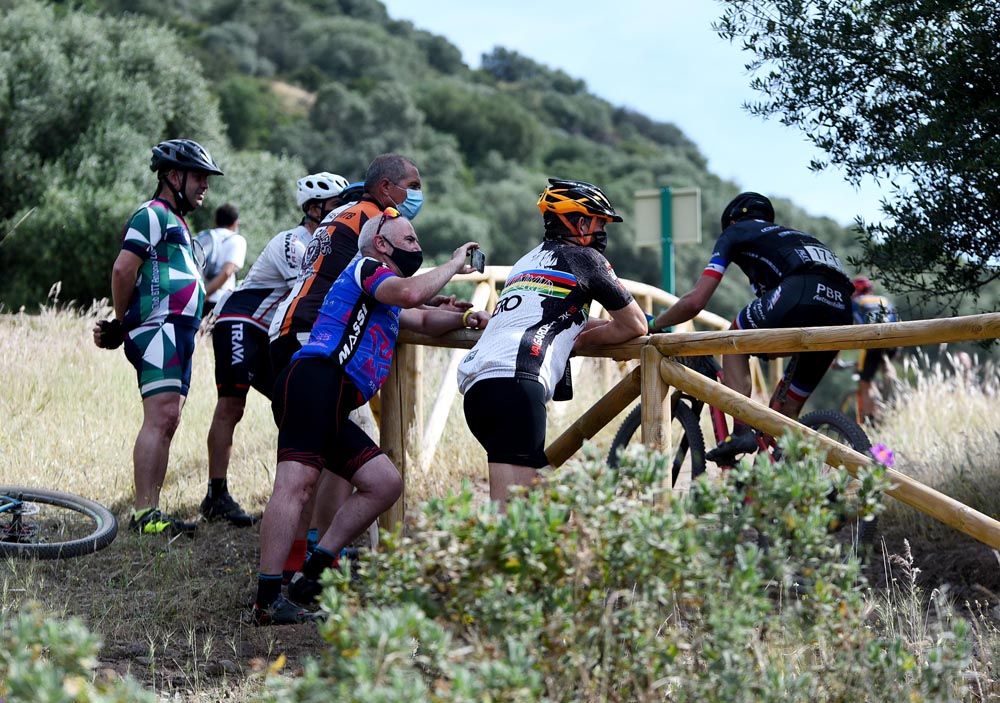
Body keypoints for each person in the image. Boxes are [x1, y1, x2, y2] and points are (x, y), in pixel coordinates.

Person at [252, 210, 489, 624]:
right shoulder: (367, 268)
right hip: (314, 381)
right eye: (411, 240)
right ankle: (267, 600)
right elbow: (413, 296)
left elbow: (424, 317)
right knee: (296, 486)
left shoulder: (386, 295)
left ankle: (314, 572)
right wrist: (455, 264)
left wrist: (467, 318)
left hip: (333, 398)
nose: (417, 248)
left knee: (384, 482)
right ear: (382, 243)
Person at [457, 179, 648, 507]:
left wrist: (575, 333)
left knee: (548, 509)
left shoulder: (525, 261)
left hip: (479, 390)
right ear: (578, 221)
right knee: (516, 520)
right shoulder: (586, 258)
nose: (603, 231)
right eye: (599, 221)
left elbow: (552, 314)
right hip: (516, 385)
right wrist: (576, 343)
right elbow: (635, 324)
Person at [650, 191, 854, 463]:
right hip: (842, 307)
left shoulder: (735, 232)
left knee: (735, 338)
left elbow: (695, 302)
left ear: (732, 222)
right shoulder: (792, 236)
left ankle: (741, 431)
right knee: (784, 410)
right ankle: (776, 478)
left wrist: (655, 322)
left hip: (800, 291)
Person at [200, 173, 350, 527]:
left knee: (292, 406)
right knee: (232, 405)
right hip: (240, 320)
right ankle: (216, 494)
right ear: (314, 209)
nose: (345, 213)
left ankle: (297, 493)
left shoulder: (330, 245)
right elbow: (321, 293)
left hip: (269, 334)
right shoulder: (293, 243)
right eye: (337, 206)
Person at [92, 138, 223, 536]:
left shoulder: (178, 222)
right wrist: (121, 323)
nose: (205, 185)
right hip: (158, 329)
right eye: (199, 176)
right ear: (172, 175)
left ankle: (151, 511)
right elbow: (122, 270)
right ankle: (144, 515)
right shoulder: (153, 213)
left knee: (170, 419)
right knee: (161, 417)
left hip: (179, 332)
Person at [850, 276, 901, 424]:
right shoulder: (884, 299)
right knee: (886, 367)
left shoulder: (856, 302)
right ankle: (892, 388)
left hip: (873, 342)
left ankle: (872, 421)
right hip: (894, 340)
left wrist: (836, 359)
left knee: (865, 382)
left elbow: (843, 329)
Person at [195, 203, 246, 317]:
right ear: (235, 222)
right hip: (219, 300)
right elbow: (227, 272)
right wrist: (206, 294)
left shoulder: (202, 236)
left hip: (196, 297)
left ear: (216, 220)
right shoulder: (237, 240)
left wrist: (199, 296)